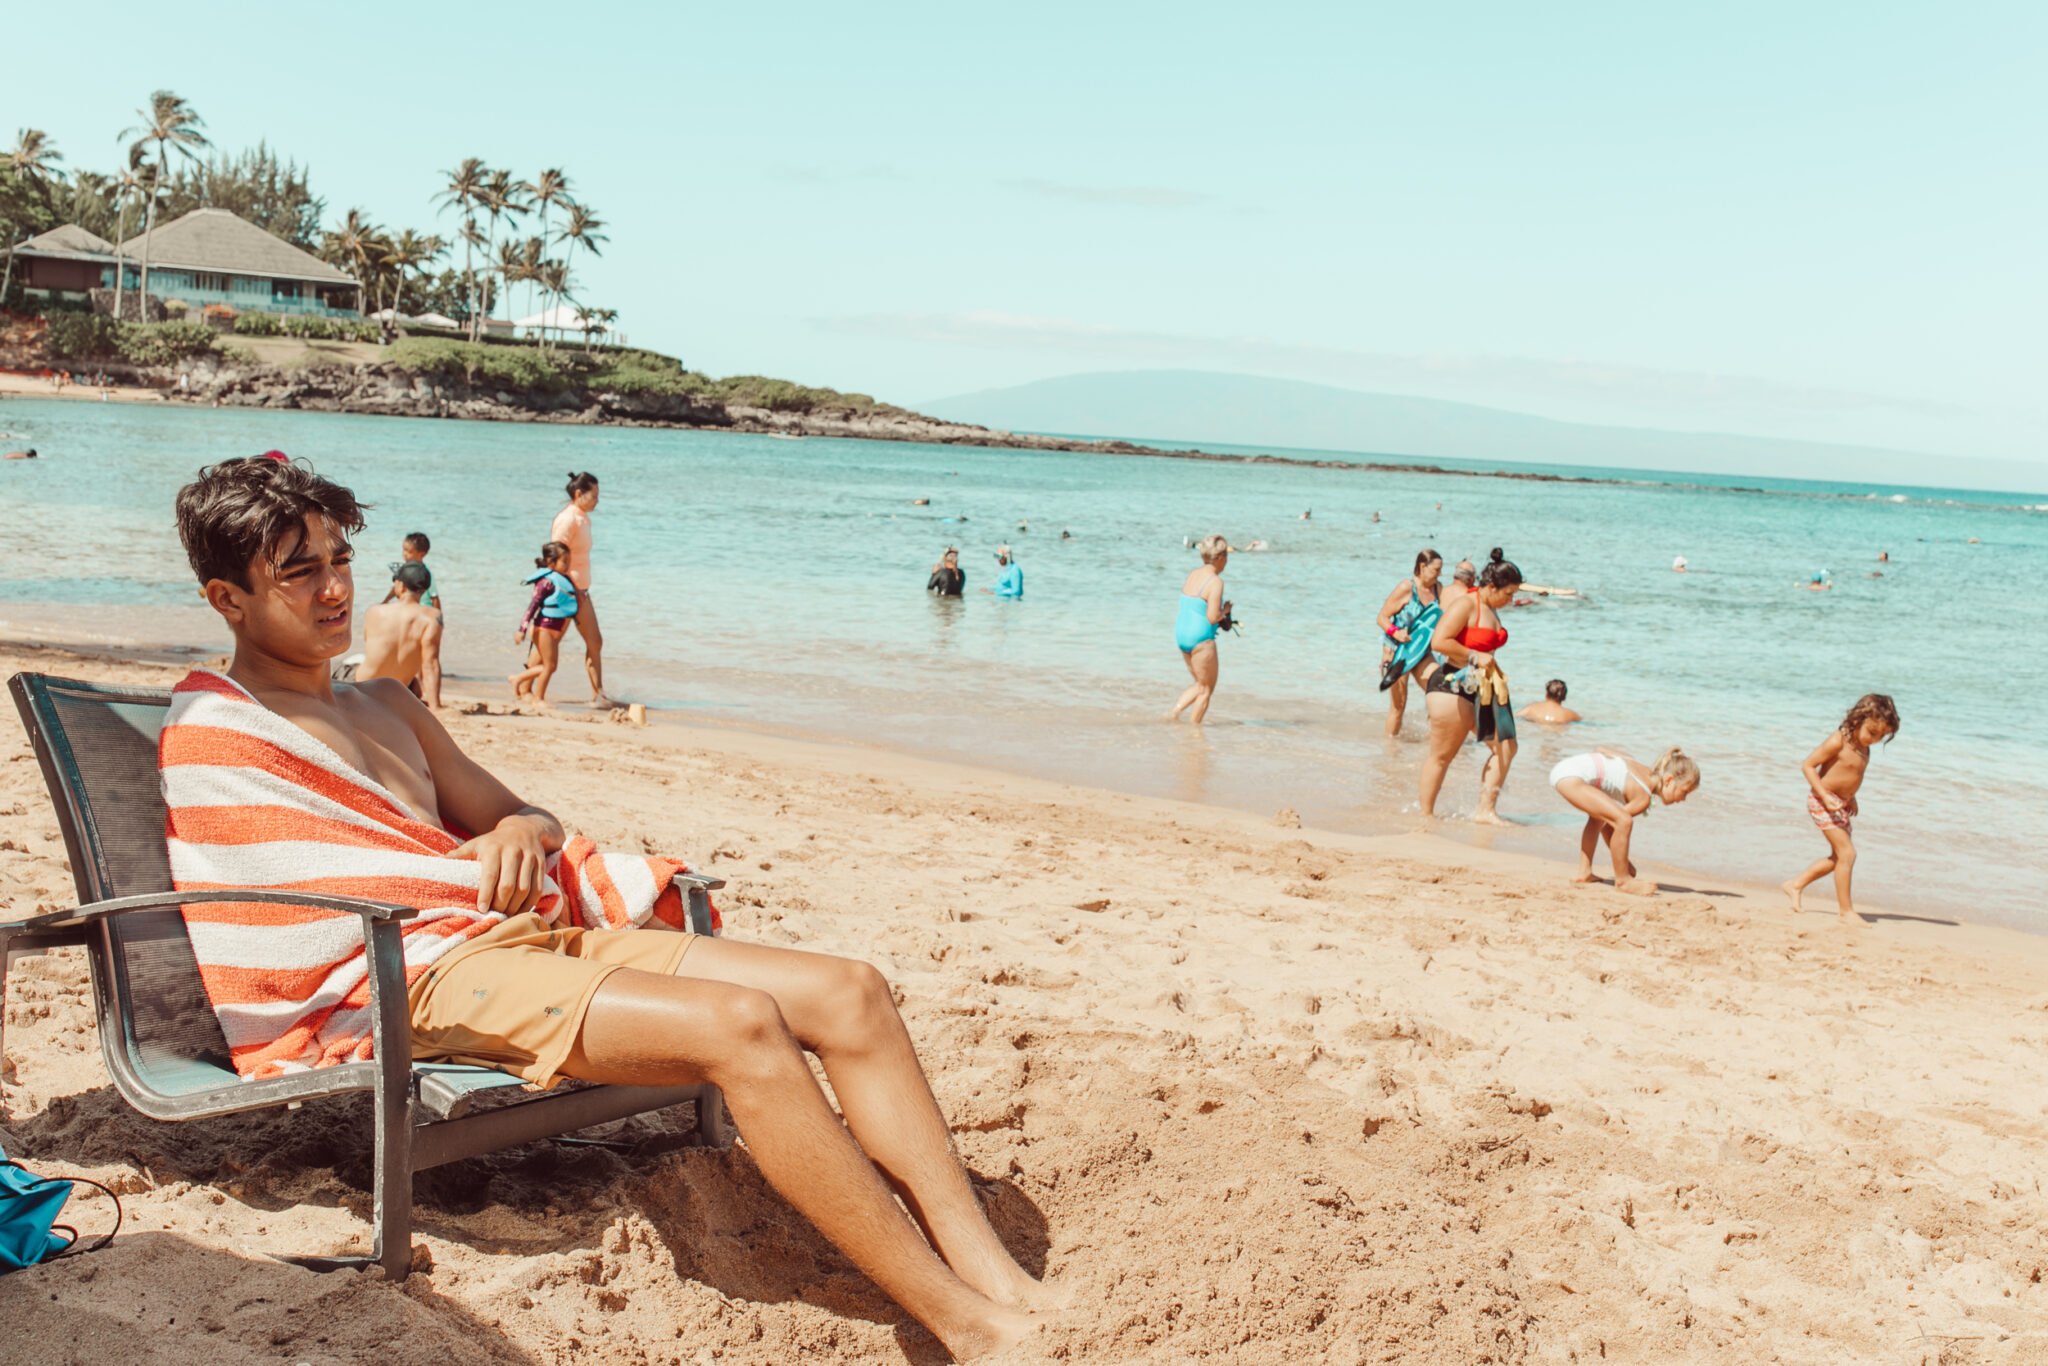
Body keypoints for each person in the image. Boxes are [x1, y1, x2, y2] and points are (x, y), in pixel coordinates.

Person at [166, 456, 1050, 1358]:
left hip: (511, 936)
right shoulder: (219, 730)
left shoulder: (388, 705)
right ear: (226, 599)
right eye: (298, 571)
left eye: (339, 558)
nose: (333, 589)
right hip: (408, 975)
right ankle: (964, 1323)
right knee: (742, 1026)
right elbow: (293, 901)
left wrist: (516, 832)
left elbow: (527, 817)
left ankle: (996, 1276)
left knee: (853, 991)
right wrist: (462, 876)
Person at [1417, 549, 1524, 822]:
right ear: (1491, 586)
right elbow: (1439, 642)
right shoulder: (1467, 604)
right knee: (1442, 756)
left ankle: (1485, 810)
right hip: (1450, 685)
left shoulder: (1490, 607)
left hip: (1479, 688)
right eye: (1508, 593)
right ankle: (1425, 817)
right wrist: (1474, 655)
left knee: (1506, 746)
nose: (1511, 600)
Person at [1783, 694, 1901, 923]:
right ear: (1858, 720)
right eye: (1872, 733)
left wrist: (1852, 796)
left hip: (1841, 804)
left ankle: (1795, 885)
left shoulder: (1863, 747)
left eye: (1882, 736)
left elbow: (1852, 773)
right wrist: (1825, 796)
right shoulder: (1839, 740)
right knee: (1848, 853)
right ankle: (1846, 911)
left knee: (1839, 857)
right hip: (1822, 801)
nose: (1875, 740)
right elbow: (1808, 766)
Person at [1549, 748, 1700, 894]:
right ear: (1669, 780)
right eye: (1685, 791)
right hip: (1572, 778)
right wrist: (1625, 866)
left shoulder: (1633, 762)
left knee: (1599, 818)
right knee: (1624, 821)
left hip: (1566, 769)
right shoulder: (1643, 797)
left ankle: (1585, 872)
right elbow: (1614, 827)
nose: (1684, 799)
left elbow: (1600, 748)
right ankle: (1623, 881)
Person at [550, 472, 611, 708]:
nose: (597, 500)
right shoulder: (568, 519)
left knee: (593, 642)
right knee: (553, 642)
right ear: (578, 494)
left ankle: (598, 694)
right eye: (593, 496)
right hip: (569, 591)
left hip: (580, 590)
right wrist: (568, 590)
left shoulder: (582, 517)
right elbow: (555, 555)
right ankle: (524, 687)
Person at [1375, 548, 1443, 737]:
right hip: (1397, 653)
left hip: (1422, 651)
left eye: (1441, 570)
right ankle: (1390, 751)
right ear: (1422, 567)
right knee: (1399, 706)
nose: (1440, 574)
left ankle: (1433, 742)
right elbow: (1381, 618)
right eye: (1436, 570)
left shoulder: (1438, 589)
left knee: (1439, 692)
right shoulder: (1407, 587)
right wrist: (1396, 633)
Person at [356, 562, 444, 708]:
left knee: (343, 665)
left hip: (361, 687)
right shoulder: (432, 617)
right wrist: (435, 706)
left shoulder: (374, 611)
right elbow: (430, 664)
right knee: (414, 682)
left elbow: (371, 649)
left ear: (401, 586)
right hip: (397, 690)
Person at [1170, 534, 1231, 724]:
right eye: (1227, 557)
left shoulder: (1193, 574)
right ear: (1220, 558)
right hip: (1201, 638)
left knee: (1199, 684)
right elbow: (1212, 617)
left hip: (1182, 634)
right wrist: (1226, 611)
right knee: (1206, 689)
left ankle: (1172, 716)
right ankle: (1194, 731)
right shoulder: (1215, 582)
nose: (1227, 561)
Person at [510, 541, 579, 703]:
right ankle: (538, 699)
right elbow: (532, 606)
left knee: (551, 666)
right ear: (550, 562)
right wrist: (522, 629)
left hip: (556, 627)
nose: (567, 565)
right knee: (549, 666)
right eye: (564, 561)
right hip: (544, 628)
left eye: (569, 561)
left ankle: (518, 679)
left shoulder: (564, 579)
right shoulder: (546, 581)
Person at [382, 531, 443, 614]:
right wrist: (385, 601)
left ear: (422, 554)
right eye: (404, 550)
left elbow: (434, 597)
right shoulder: (404, 569)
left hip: (423, 611)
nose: (404, 554)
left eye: (409, 551)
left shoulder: (425, 573)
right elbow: (395, 588)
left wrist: (438, 619)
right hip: (408, 608)